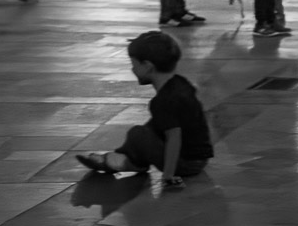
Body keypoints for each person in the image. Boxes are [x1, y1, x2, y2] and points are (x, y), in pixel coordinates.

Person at [75, 31, 213, 188]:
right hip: (200, 159)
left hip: (186, 164)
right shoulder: (181, 83)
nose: (132, 70)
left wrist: (168, 175)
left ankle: (126, 162)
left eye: (134, 65)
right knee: (152, 125)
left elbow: (175, 138)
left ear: (148, 66)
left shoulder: (162, 101)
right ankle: (125, 158)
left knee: (138, 134)